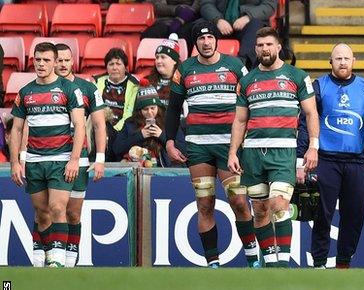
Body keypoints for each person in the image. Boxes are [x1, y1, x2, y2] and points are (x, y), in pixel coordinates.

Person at [165, 20, 259, 268]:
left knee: (239, 201)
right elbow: (173, 109)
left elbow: (250, 101)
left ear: (217, 40)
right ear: (195, 43)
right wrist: (170, 141)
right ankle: (213, 263)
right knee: (205, 204)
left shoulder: (236, 66)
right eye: (201, 39)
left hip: (230, 147)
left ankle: (253, 259)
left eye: (210, 38)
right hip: (198, 147)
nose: (206, 43)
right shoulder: (184, 69)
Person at [228, 27, 320, 268]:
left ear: (279, 47)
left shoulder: (297, 76)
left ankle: (283, 263)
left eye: (269, 44)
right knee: (259, 210)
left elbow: (311, 113)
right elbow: (239, 120)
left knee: (279, 204)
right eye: (260, 45)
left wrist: (313, 147)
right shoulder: (247, 81)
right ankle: (269, 265)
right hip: (253, 154)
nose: (264, 49)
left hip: (283, 152)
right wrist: (232, 152)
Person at [296, 43, 364, 269]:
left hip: (356, 161)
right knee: (323, 215)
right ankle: (319, 263)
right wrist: (300, 158)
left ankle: (343, 263)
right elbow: (305, 123)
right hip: (326, 160)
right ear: (330, 62)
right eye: (338, 58)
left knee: (354, 217)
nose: (342, 62)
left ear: (354, 61)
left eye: (346, 58)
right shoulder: (319, 86)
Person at [9, 42, 86, 267]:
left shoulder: (69, 89)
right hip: (34, 160)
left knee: (57, 208)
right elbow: (16, 129)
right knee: (42, 213)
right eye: (37, 60)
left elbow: (80, 126)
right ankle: (39, 257)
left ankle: (58, 259)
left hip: (60, 160)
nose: (41, 64)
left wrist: (73, 159)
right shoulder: (26, 92)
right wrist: (15, 162)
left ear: (54, 62)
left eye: (46, 60)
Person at [31, 43, 107, 268]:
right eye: (59, 60)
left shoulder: (87, 87)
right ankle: (48, 258)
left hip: (79, 157)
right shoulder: (43, 89)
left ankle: (69, 261)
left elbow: (99, 124)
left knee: (73, 213)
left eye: (66, 60)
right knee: (47, 209)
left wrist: (100, 158)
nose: (62, 64)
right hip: (48, 156)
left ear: (73, 61)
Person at [199, 0, 277, 68]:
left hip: (249, 23)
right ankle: (196, 65)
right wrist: (217, 20)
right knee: (198, 26)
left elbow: (269, 5)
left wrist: (248, 17)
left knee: (256, 27)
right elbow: (206, 4)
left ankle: (242, 66)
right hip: (219, 23)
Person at [114, 80, 171, 166]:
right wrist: (140, 135)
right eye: (145, 109)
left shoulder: (167, 122)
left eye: (152, 108)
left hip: (163, 170)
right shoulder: (130, 123)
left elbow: (182, 149)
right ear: (139, 110)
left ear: (158, 107)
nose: (150, 112)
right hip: (136, 169)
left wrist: (161, 136)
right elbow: (116, 149)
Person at [145, 34, 181, 107]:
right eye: (157, 57)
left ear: (174, 61)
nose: (158, 61)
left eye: (163, 57)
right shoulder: (147, 81)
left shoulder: (183, 82)